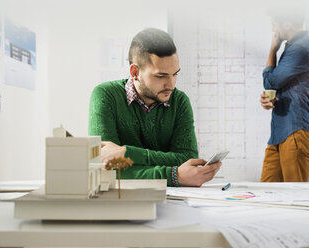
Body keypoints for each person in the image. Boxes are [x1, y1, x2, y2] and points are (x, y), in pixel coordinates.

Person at [89, 28, 221, 187]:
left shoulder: (179, 101)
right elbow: (107, 170)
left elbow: (187, 159)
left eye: (175, 74)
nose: (171, 84)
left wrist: (127, 153)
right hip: (121, 204)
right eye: (161, 76)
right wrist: (174, 176)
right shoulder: (105, 96)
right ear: (135, 72)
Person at [260, 5, 309, 182]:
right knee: (267, 193)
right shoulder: (293, 47)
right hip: (280, 132)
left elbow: (270, 81)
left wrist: (272, 49)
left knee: (295, 198)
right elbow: (277, 86)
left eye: (274, 24)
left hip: (295, 130)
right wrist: (268, 99)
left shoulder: (302, 48)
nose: (273, 29)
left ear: (286, 24)